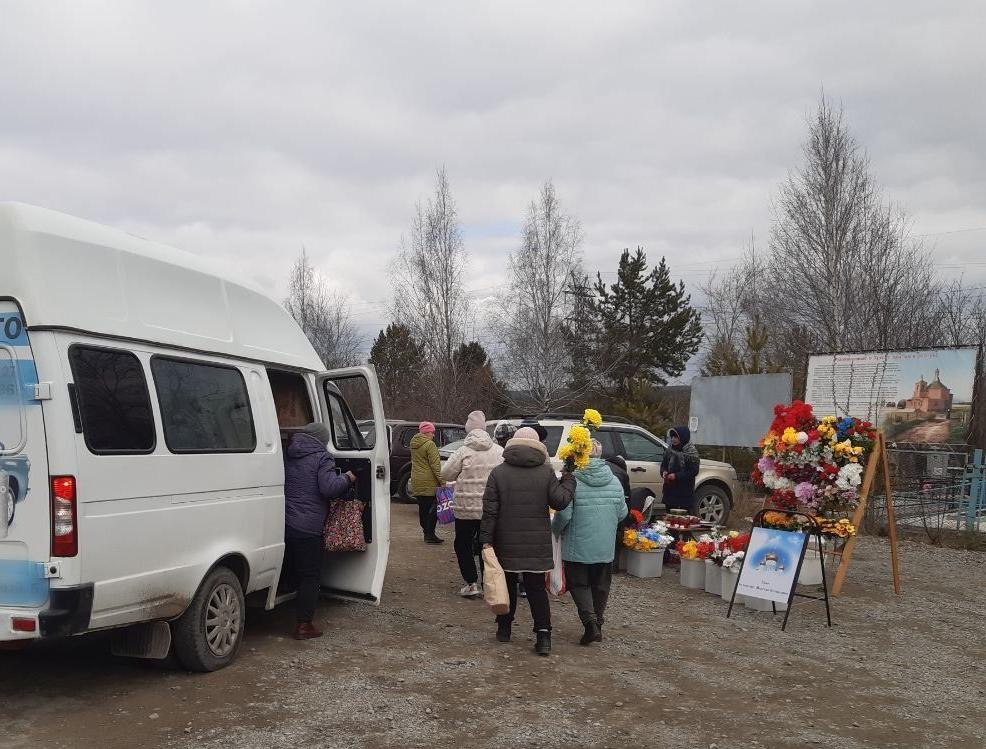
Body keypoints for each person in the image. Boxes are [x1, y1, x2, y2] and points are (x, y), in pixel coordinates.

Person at [479, 426, 575, 656]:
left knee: (507, 584)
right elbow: (560, 501)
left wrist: (485, 540)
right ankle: (543, 637)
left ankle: (504, 629)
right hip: (536, 541)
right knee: (535, 590)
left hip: (505, 539)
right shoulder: (546, 472)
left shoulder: (498, 473)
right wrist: (570, 478)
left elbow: (490, 511)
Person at [283, 423, 356, 640]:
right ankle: (304, 625)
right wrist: (348, 478)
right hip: (308, 525)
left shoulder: (289, 453)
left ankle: (287, 607)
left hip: (285, 521)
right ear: (321, 439)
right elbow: (328, 488)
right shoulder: (322, 457)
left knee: (292, 567)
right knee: (311, 575)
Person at [552, 440, 628, 645]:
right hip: (604, 547)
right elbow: (623, 513)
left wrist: (554, 532)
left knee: (579, 584)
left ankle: (591, 624)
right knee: (601, 586)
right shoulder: (614, 481)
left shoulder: (573, 481)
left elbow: (564, 515)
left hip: (578, 547)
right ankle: (598, 623)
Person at [442, 410, 503, 598]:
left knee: (463, 545)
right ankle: (489, 583)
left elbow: (446, 475)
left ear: (468, 430)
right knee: (488, 545)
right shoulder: (499, 451)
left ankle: (471, 583)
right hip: (489, 509)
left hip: (465, 509)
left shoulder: (462, 451)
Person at [410, 421, 444, 544]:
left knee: (423, 508)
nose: (433, 435)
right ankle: (430, 534)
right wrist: (442, 481)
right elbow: (435, 466)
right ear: (426, 432)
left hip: (416, 479)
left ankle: (426, 533)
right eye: (432, 432)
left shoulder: (413, 443)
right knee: (432, 508)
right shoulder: (430, 445)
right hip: (428, 481)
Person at [660, 425, 700, 514]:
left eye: (676, 437)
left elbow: (693, 471)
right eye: (672, 437)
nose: (673, 439)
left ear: (683, 437)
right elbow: (664, 465)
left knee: (683, 520)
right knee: (670, 518)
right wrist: (664, 472)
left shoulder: (691, 452)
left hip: (684, 492)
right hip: (670, 491)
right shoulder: (669, 450)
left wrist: (676, 476)